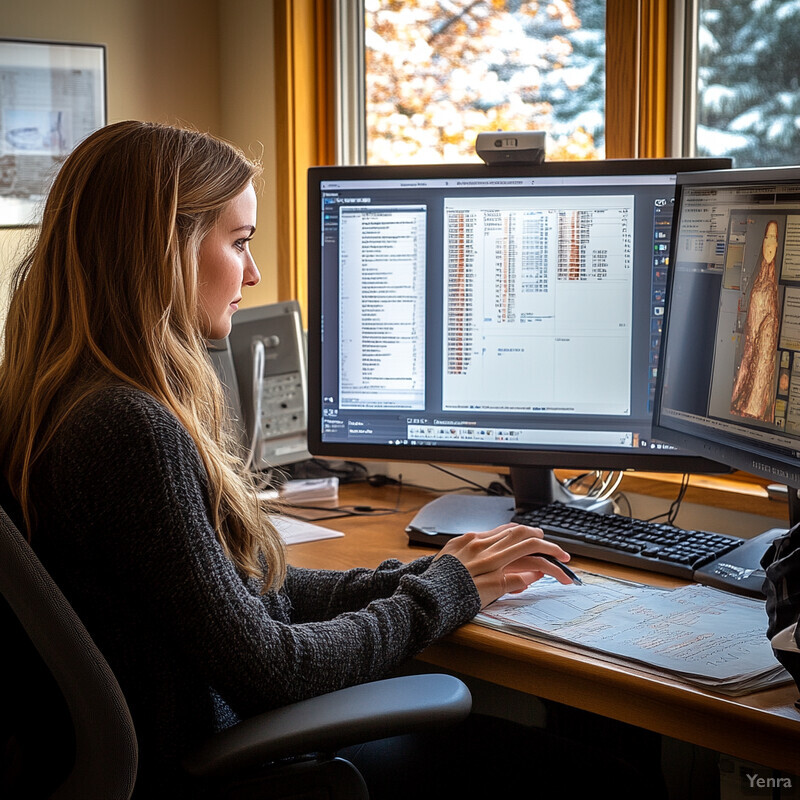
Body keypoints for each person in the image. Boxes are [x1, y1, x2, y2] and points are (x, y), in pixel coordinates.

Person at [0, 120, 601, 798]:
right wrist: (446, 591)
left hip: (185, 745)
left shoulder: (54, 400)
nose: (253, 274)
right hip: (223, 765)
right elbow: (273, 667)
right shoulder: (128, 430)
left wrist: (430, 573)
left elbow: (248, 598)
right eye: (239, 243)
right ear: (163, 248)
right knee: (604, 779)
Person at [731, 219, 781, 421]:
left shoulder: (774, 284)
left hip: (764, 349)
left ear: (778, 244)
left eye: (774, 238)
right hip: (751, 346)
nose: (769, 245)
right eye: (767, 238)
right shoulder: (756, 278)